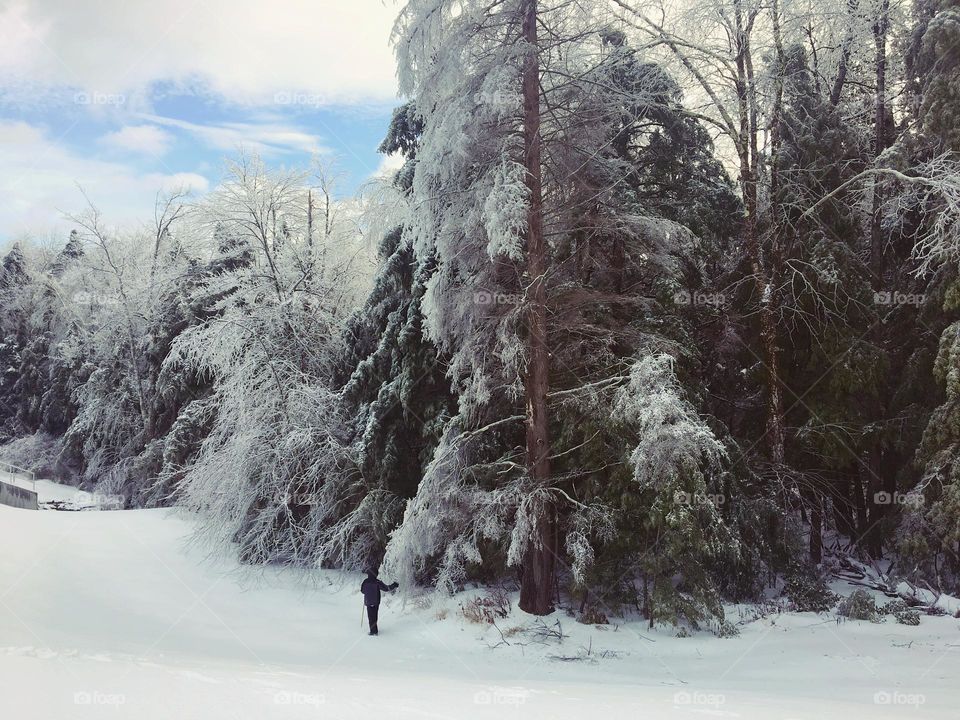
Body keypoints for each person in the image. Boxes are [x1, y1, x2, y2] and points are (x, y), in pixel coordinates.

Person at [360, 568, 398, 636]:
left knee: (370, 616)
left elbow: (362, 591)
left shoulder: (365, 581)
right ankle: (374, 631)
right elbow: (386, 588)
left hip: (368, 601)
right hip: (376, 602)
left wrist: (367, 591)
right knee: (374, 616)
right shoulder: (377, 582)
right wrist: (394, 585)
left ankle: (373, 631)